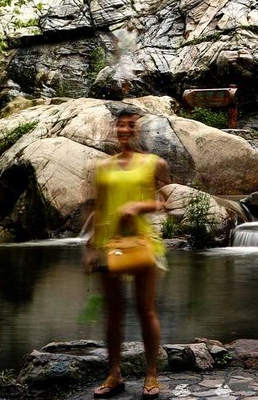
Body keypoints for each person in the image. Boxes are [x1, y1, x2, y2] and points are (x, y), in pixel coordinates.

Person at [84, 106, 170, 398]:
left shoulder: (154, 163)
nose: (124, 130)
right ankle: (114, 373)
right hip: (110, 244)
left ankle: (151, 374)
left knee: (146, 309)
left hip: (143, 241)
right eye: (120, 125)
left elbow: (164, 202)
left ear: (139, 130)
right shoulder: (104, 167)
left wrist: (138, 206)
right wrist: (90, 247)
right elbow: (99, 208)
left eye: (131, 125)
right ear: (115, 129)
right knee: (113, 313)